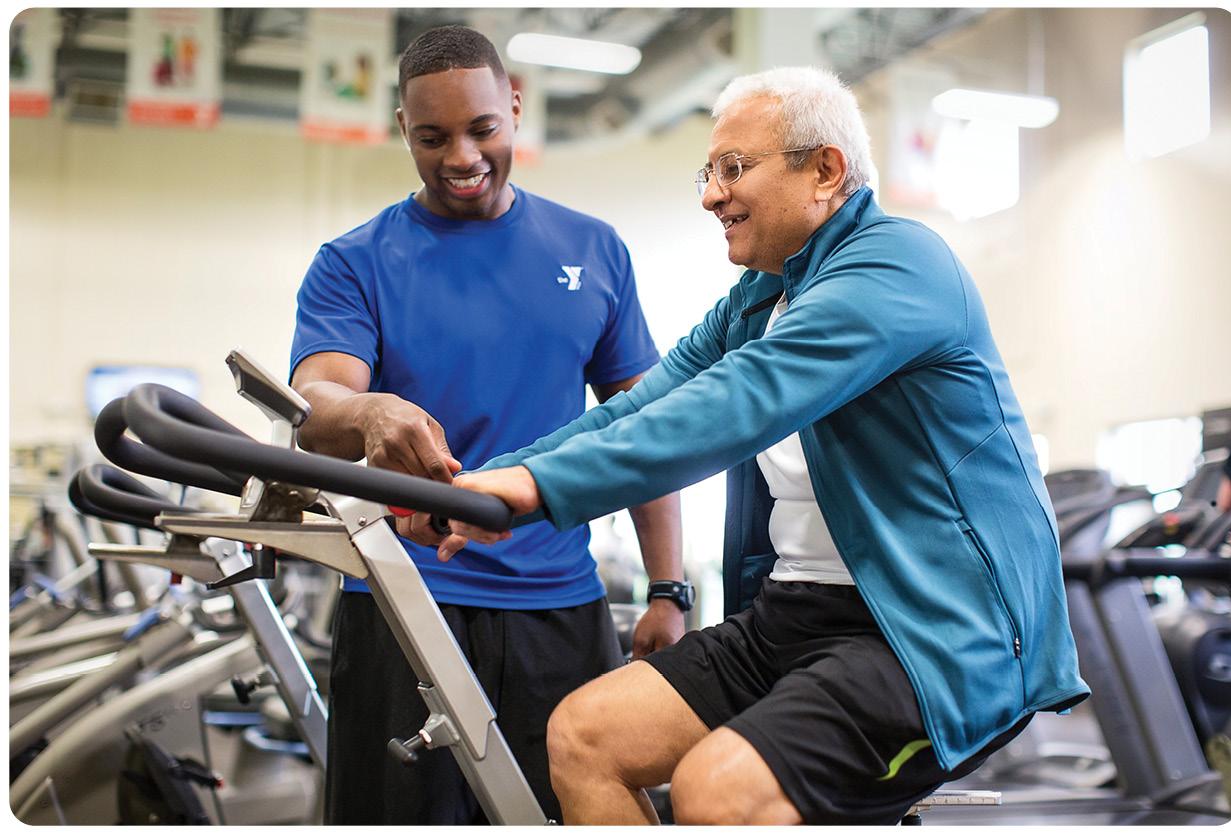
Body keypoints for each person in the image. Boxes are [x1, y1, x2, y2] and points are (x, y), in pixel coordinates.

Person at [440, 66, 1091, 825]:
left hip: (933, 635)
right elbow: (645, 405)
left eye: (733, 168)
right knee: (585, 737)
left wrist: (536, 494)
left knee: (717, 789)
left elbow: (735, 405)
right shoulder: (760, 298)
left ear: (825, 170)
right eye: (707, 173)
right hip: (796, 612)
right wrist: (496, 478)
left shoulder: (898, 266)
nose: (712, 195)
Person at [288, 25, 684, 825]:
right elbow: (315, 405)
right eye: (432, 138)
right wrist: (370, 410)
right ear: (404, 129)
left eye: (482, 130)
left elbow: (646, 430)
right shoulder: (355, 261)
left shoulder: (592, 250)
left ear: (515, 105)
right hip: (404, 605)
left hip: (559, 610)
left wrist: (668, 587)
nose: (461, 157)